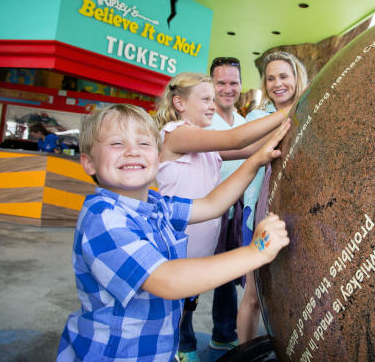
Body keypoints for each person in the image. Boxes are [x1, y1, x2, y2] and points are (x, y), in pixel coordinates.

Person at [57, 103, 290, 362]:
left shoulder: (156, 205)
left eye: (144, 144)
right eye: (117, 144)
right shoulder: (102, 217)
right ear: (88, 162)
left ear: (158, 158)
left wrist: (256, 160)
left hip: (157, 351)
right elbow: (167, 281)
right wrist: (254, 252)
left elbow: (212, 204)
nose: (133, 151)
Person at [152, 71, 291, 362]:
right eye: (205, 99)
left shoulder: (207, 148)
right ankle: (173, 350)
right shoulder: (177, 133)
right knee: (166, 314)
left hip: (198, 251)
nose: (213, 106)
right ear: (179, 102)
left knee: (185, 307)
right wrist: (290, 109)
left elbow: (250, 148)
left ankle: (177, 347)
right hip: (176, 249)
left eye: (213, 100)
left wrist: (283, 132)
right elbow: (236, 138)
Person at [239, 51, 309, 344]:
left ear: (297, 78)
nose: (277, 83)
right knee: (253, 295)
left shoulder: (311, 112)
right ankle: (243, 351)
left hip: (301, 212)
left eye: (283, 76)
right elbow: (247, 151)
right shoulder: (257, 117)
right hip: (261, 209)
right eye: (270, 78)